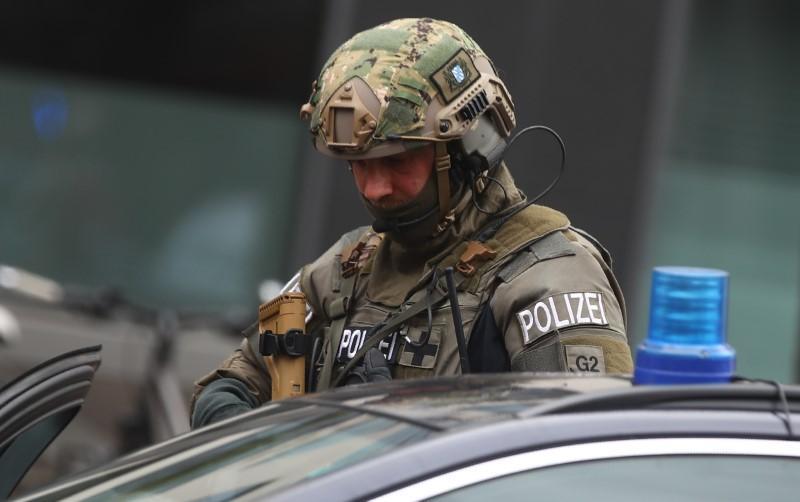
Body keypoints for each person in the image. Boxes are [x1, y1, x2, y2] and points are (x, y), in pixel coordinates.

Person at [190, 18, 633, 428]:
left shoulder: (547, 278)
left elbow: (584, 454)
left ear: (468, 148)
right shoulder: (347, 267)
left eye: (397, 161)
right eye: (360, 165)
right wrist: (255, 438)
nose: (375, 188)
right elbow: (234, 382)